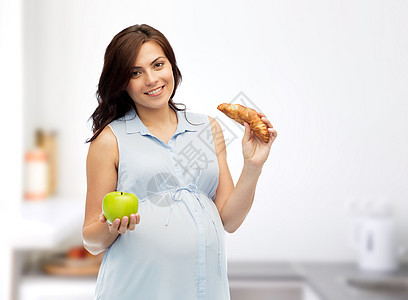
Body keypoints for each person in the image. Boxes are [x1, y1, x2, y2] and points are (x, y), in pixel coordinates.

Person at [82, 24, 277, 300]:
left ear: (171, 66)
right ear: (122, 82)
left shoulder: (208, 128)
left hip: (205, 289)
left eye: (158, 64)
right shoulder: (110, 140)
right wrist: (111, 226)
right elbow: (90, 239)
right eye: (135, 73)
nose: (151, 79)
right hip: (136, 290)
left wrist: (253, 166)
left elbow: (229, 220)